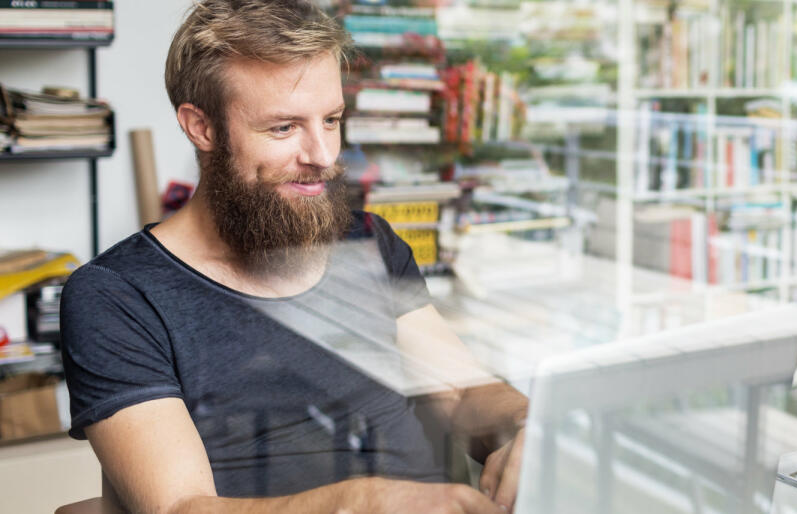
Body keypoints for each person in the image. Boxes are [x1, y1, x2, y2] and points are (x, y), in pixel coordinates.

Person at [59, 1, 526, 512]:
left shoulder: (365, 239)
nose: (324, 156)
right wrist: (361, 503)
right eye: (283, 128)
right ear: (202, 128)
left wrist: (526, 426)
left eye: (331, 120)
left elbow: (462, 394)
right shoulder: (117, 295)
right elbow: (181, 506)